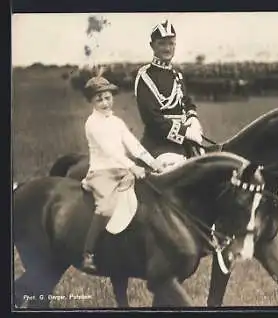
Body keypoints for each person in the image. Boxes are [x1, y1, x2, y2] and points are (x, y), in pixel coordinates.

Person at [81, 76, 164, 272]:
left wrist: (152, 162)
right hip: (102, 171)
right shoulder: (92, 123)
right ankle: (88, 253)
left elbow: (133, 144)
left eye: (107, 97)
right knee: (106, 209)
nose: (104, 103)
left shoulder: (116, 121)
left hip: (122, 169)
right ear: (91, 102)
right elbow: (111, 151)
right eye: (99, 99)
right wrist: (132, 167)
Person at [134, 19, 204, 171]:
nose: (167, 48)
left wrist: (193, 118)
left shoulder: (177, 74)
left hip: (183, 143)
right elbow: (152, 120)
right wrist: (185, 132)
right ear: (152, 45)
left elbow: (186, 102)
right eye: (162, 43)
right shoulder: (145, 76)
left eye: (171, 43)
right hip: (158, 143)